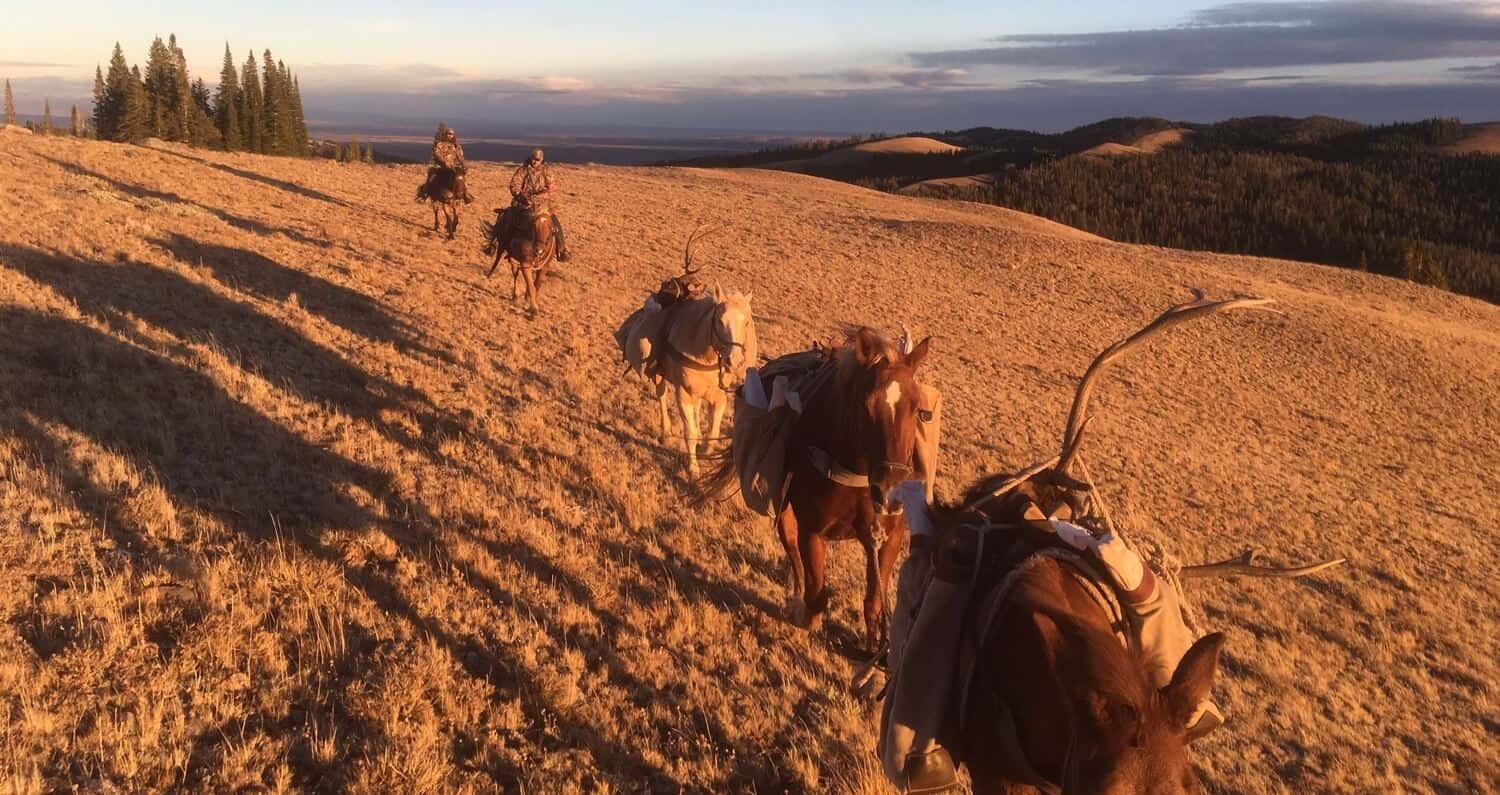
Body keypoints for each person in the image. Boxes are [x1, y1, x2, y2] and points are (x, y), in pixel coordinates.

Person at [507, 147, 571, 261]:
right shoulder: (523, 170)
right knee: (510, 219)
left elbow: (552, 186)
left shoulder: (546, 171)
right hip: (524, 204)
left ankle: (562, 249)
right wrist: (521, 195)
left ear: (541, 160)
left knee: (555, 222)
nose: (534, 161)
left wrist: (544, 194)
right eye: (533, 159)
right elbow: (514, 185)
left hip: (543, 205)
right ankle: (500, 244)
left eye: (537, 159)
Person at [423, 126, 474, 203]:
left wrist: (464, 164)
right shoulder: (440, 144)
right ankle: (425, 194)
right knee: (431, 177)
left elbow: (460, 156)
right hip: (440, 167)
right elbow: (437, 154)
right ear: (445, 135)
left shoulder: (456, 146)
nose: (449, 135)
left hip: (453, 166)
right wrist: (444, 162)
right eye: (448, 134)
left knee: (461, 177)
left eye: (451, 134)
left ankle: (465, 194)